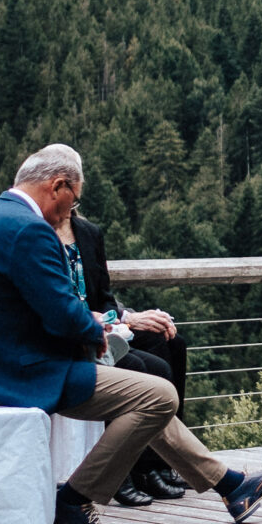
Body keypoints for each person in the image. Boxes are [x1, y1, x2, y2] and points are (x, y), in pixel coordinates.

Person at [0, 144, 262, 524]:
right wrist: (96, 333)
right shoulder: (29, 228)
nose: (68, 215)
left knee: (145, 396)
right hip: (20, 373)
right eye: (71, 202)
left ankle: (233, 486)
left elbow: (23, 304)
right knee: (159, 394)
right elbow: (61, 313)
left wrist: (88, 322)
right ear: (57, 186)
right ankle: (74, 500)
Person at [61, 205, 189, 507]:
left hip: (106, 322)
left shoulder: (89, 233)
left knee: (171, 342)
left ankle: (159, 462)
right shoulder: (39, 238)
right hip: (77, 332)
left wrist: (125, 318)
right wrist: (120, 321)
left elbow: (104, 295)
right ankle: (131, 469)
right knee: (145, 366)